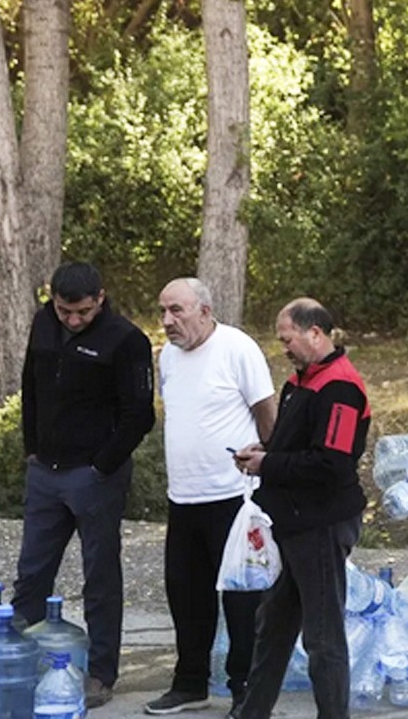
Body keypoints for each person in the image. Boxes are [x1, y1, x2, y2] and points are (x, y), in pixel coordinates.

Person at [13, 261, 156, 708]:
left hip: (94, 476)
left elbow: (140, 414)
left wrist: (102, 465)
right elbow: (30, 385)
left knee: (99, 576)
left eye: (83, 312)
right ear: (52, 301)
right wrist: (32, 447)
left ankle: (100, 672)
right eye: (64, 311)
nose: (73, 320)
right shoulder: (42, 323)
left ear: (101, 297)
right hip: (45, 472)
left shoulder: (127, 340)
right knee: (32, 572)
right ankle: (21, 659)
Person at [230, 299, 370, 719]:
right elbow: (299, 444)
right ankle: (253, 711)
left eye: (287, 338)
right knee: (272, 625)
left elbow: (332, 463)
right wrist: (265, 451)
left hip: (321, 524)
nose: (284, 348)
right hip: (289, 522)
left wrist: (268, 464)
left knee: (323, 636)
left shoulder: (340, 387)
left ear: (315, 333)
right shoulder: (301, 381)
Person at [144, 279, 277, 716]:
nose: (168, 321)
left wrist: (272, 466)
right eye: (163, 311)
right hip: (183, 496)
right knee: (186, 594)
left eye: (177, 311)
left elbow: (266, 414)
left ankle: (245, 689)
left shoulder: (237, 348)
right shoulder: (168, 358)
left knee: (241, 599)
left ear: (205, 309)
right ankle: (189, 683)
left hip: (234, 496)